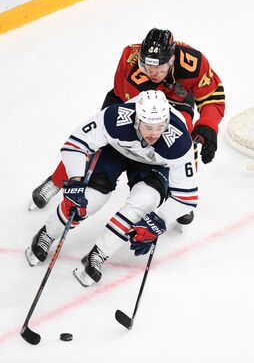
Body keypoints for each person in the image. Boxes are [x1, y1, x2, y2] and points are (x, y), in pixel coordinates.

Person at [30, 28, 224, 227]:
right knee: (96, 141)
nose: (152, 73)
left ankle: (179, 192)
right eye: (147, 67)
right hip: (128, 103)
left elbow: (212, 94)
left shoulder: (194, 62)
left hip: (176, 102)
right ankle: (55, 181)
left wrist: (208, 125)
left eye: (159, 68)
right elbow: (137, 112)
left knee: (184, 140)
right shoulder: (130, 62)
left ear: (172, 60)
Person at [25, 90, 198, 287]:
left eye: (160, 127)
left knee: (145, 202)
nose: (153, 134)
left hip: (154, 164)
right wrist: (75, 181)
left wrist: (160, 220)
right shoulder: (115, 117)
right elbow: (74, 145)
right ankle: (47, 233)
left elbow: (187, 197)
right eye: (148, 127)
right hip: (116, 151)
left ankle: (98, 254)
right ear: (137, 119)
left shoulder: (180, 141)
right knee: (91, 197)